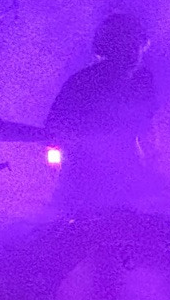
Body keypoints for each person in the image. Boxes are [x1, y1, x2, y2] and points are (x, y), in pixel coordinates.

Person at [44, 13, 158, 212]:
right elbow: (54, 128)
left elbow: (147, 127)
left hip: (131, 179)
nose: (133, 53)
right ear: (111, 48)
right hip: (85, 180)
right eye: (126, 46)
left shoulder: (144, 81)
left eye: (136, 46)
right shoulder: (82, 82)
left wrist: (149, 166)